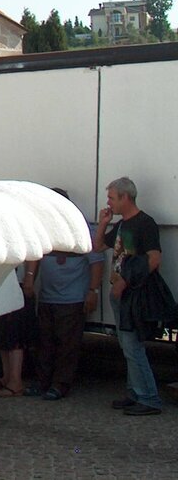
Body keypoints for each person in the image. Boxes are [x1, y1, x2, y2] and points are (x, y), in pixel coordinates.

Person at [93, 176, 172, 416]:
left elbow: (154, 259)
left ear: (125, 197)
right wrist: (103, 224)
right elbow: (98, 247)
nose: (109, 202)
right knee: (127, 345)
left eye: (111, 198)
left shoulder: (144, 223)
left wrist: (124, 282)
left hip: (132, 295)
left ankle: (149, 398)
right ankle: (135, 392)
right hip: (120, 293)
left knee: (132, 346)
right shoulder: (121, 225)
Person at [25, 188, 105, 400]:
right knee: (44, 342)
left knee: (67, 345)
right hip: (47, 297)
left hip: (73, 299)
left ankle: (60, 385)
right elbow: (36, 254)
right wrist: (30, 278)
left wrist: (92, 291)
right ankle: (41, 382)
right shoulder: (44, 228)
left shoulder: (82, 228)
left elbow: (96, 262)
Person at [0, 260, 40, 397]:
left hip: (17, 282)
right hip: (2, 283)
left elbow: (32, 255)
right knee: (2, 332)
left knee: (14, 333)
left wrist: (29, 276)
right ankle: (7, 377)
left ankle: (16, 382)